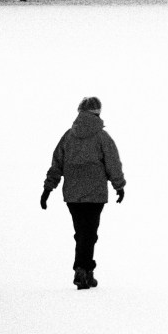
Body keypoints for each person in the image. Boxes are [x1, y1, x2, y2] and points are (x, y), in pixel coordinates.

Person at [41, 96, 126, 290]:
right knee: (89, 233)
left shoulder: (68, 136)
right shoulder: (103, 137)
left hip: (73, 194)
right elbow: (113, 163)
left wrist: (48, 188)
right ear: (98, 113)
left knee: (81, 232)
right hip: (95, 194)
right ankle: (83, 269)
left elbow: (57, 164)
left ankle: (85, 270)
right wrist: (119, 186)